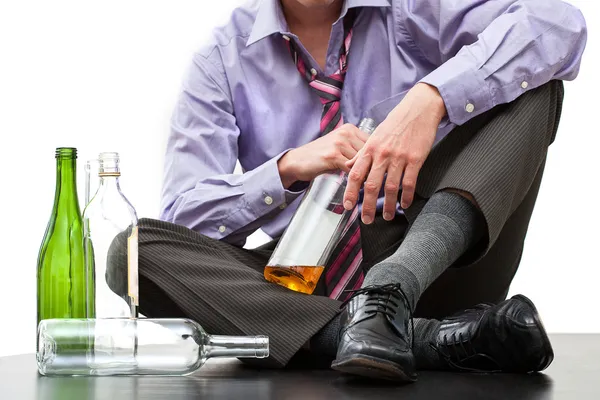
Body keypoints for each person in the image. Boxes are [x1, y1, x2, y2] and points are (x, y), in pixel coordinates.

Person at [109, 0, 587, 382]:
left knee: (534, 84)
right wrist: (289, 167)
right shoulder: (221, 60)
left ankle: (389, 293)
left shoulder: (412, 9)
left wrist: (431, 99)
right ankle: (422, 339)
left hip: (433, 253)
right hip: (298, 280)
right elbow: (183, 223)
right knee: (132, 254)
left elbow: (557, 23)